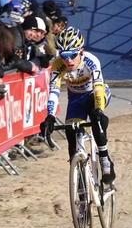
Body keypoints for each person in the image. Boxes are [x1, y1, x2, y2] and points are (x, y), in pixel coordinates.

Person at [40, 26, 116, 184]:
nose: (68, 60)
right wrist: (50, 116)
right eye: (64, 55)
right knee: (71, 135)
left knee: (95, 115)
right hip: (75, 99)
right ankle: (80, 189)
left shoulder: (91, 61)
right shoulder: (57, 66)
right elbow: (53, 91)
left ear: (81, 51)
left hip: (95, 94)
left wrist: (99, 111)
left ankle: (105, 160)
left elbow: (98, 88)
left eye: (72, 55)